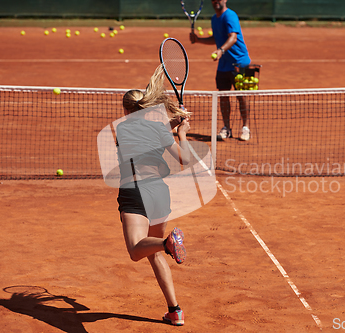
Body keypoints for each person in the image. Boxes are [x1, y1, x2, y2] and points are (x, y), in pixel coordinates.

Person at [116, 64, 191, 326]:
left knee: (138, 250)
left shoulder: (123, 129)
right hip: (160, 193)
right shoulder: (160, 130)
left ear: (126, 111)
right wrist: (179, 132)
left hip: (135, 193)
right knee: (154, 254)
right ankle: (175, 311)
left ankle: (168, 243)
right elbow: (186, 160)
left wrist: (170, 126)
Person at [190, 0, 252, 141]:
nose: (216, 1)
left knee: (241, 96)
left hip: (239, 62)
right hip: (224, 64)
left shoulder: (230, 16)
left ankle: (245, 128)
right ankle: (227, 128)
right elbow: (216, 38)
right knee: (223, 96)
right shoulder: (214, 18)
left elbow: (233, 38)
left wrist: (221, 50)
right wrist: (199, 40)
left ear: (225, 0)